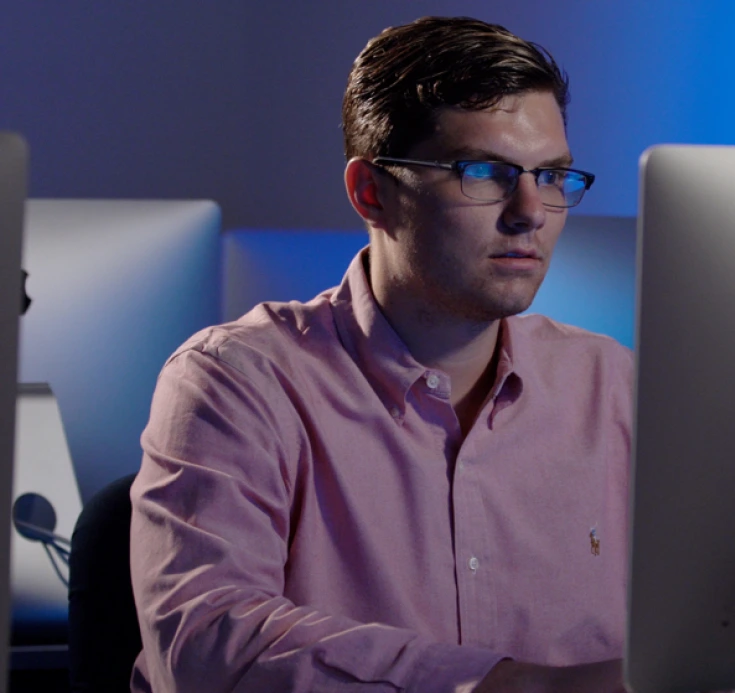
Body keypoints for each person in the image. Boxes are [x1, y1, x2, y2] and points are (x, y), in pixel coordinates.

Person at [130, 15, 631, 693]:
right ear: (372, 192)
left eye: (551, 176)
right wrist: (509, 685)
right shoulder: (235, 381)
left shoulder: (614, 385)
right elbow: (208, 647)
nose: (529, 211)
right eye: (482, 172)